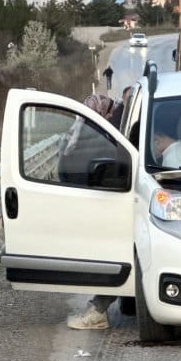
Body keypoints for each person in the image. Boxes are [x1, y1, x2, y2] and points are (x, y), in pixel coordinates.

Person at [63, 92, 121, 331]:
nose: (112, 114)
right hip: (98, 204)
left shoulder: (82, 133)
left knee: (113, 260)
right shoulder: (98, 136)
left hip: (92, 205)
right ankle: (98, 309)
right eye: (109, 110)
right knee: (114, 259)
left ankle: (98, 310)